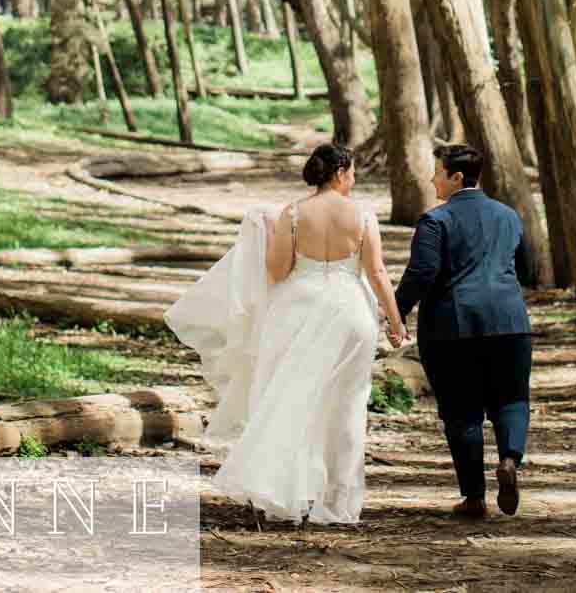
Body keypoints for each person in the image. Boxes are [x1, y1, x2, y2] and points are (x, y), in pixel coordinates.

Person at [164, 143, 406, 524]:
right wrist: (395, 321)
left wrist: (269, 236)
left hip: (298, 309)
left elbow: (276, 272)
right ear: (341, 172)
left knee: (289, 398)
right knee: (347, 407)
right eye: (353, 172)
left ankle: (284, 493)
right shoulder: (362, 214)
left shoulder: (292, 213)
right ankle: (338, 504)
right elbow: (376, 272)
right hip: (351, 313)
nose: (355, 178)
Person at [394, 143, 533, 521]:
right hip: (510, 324)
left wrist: (396, 312)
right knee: (512, 399)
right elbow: (528, 270)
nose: (431, 178)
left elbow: (421, 274)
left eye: (437, 172)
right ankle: (508, 459)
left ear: (456, 177)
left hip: (453, 328)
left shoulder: (435, 221)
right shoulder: (509, 216)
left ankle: (474, 498)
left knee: (462, 413)